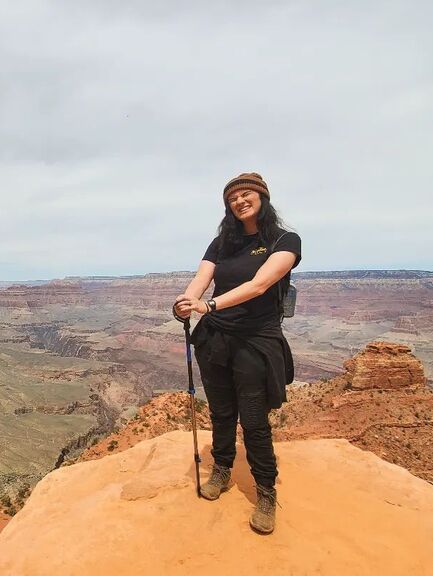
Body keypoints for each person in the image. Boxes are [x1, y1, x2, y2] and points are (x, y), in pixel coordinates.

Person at [173, 172, 300, 535]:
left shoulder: (283, 240)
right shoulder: (222, 242)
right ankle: (222, 468)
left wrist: (209, 305)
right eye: (233, 198)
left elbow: (259, 285)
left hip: (255, 340)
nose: (240, 201)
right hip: (216, 339)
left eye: (246, 195)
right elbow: (202, 277)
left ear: (262, 197)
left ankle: (265, 491)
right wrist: (186, 301)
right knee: (222, 411)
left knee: (255, 419)